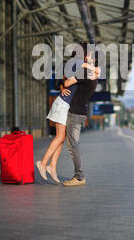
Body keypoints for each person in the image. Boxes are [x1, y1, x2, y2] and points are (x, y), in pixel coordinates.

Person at [36, 45, 100, 183]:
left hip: (67, 106)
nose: (87, 56)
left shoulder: (86, 70)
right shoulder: (76, 66)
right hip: (63, 104)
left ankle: (52, 167)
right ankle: (43, 163)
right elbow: (62, 81)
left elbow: (97, 71)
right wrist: (61, 86)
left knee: (62, 138)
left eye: (89, 55)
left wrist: (86, 66)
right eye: (86, 54)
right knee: (61, 138)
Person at [63, 44, 100, 187]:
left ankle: (79, 176)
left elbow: (67, 82)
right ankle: (79, 175)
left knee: (73, 145)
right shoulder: (93, 74)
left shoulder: (86, 73)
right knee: (73, 144)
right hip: (80, 111)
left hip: (75, 111)